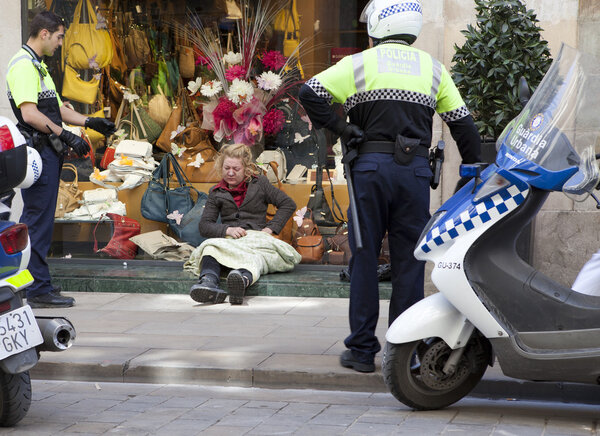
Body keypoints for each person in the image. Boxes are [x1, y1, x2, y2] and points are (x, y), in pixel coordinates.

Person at [298, 0, 481, 373]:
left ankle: (362, 351)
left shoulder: (359, 64)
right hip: (414, 173)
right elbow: (463, 126)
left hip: (370, 170)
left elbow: (309, 94)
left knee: (365, 258)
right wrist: (472, 171)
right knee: (409, 263)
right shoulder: (433, 69)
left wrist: (343, 129)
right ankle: (406, 352)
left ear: (379, 24)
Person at [6, 11, 116, 308]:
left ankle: (38, 284)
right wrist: (65, 135)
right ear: (44, 33)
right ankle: (36, 288)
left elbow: (55, 108)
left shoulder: (37, 65)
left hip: (47, 152)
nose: (60, 43)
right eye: (59, 36)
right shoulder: (23, 66)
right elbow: (30, 113)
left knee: (41, 220)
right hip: (39, 152)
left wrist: (89, 122)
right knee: (38, 221)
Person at [189, 143, 297, 305]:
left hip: (256, 239)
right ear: (221, 167)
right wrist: (228, 229)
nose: (230, 173)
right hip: (231, 241)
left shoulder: (260, 183)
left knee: (256, 257)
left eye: (236, 169)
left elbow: (288, 204)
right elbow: (205, 226)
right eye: (226, 168)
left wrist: (270, 228)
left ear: (246, 168)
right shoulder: (216, 192)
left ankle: (241, 280)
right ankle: (208, 283)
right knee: (210, 248)